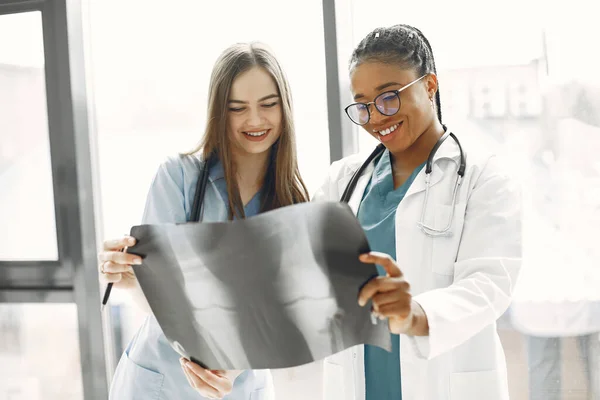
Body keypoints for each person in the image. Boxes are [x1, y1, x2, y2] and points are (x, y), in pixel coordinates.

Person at [311, 24, 522, 400]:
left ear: (429, 85)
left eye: (389, 97)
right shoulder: (341, 182)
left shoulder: (482, 177)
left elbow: (490, 284)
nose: (376, 117)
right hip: (359, 383)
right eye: (362, 106)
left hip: (445, 383)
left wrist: (417, 314)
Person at [98, 42, 309, 400]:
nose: (255, 120)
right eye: (237, 108)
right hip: (161, 381)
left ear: (284, 108)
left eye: (268, 105)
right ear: (218, 112)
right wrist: (128, 277)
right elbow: (155, 295)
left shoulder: (294, 205)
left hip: (240, 386)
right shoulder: (178, 179)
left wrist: (236, 365)